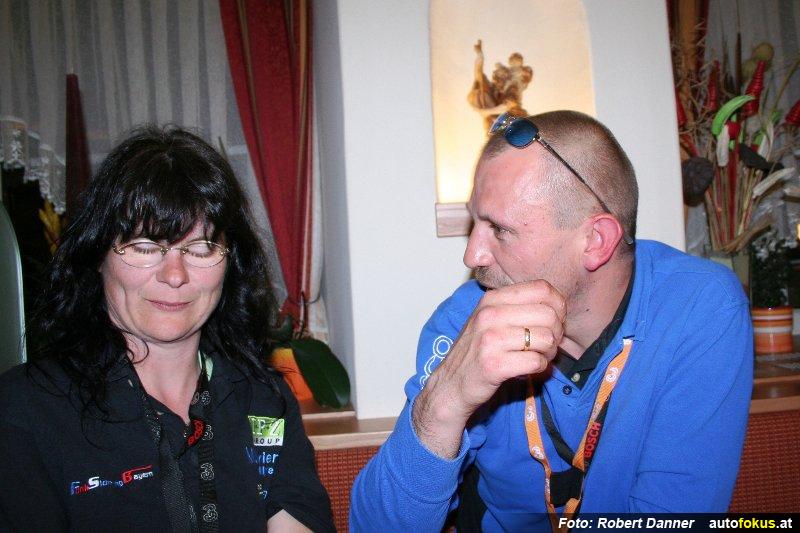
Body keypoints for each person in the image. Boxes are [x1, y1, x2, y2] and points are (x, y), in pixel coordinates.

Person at [351, 111, 753, 531]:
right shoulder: (467, 320)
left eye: (499, 229)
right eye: (475, 222)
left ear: (595, 241)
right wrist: (444, 402)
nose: (472, 255)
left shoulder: (699, 309)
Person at [0, 126, 334, 532]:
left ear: (230, 263)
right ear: (98, 254)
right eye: (144, 246)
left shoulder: (263, 398)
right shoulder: (25, 411)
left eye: (201, 248)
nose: (175, 275)